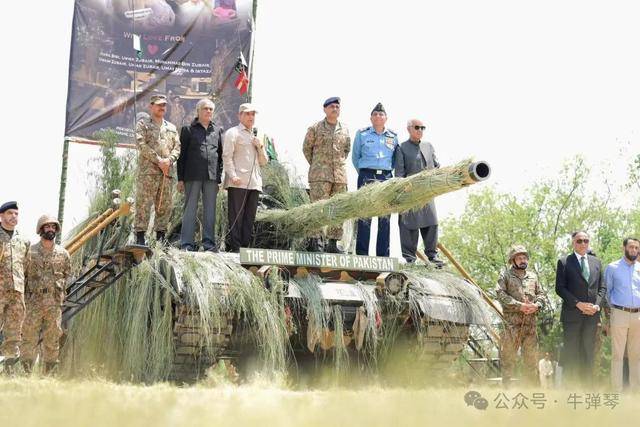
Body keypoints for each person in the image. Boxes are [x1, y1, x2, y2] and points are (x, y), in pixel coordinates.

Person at [21, 215, 71, 374]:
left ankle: (48, 376)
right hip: (33, 304)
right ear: (40, 229)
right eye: (47, 226)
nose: (51, 229)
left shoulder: (63, 254)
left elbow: (66, 275)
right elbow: (23, 275)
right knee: (28, 338)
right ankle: (25, 374)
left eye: (53, 227)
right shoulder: (30, 252)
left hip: (53, 305)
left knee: (52, 340)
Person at [555, 230, 606, 385]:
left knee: (588, 354)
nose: (583, 243)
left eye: (586, 240)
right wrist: (578, 304)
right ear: (573, 243)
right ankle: (571, 390)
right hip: (572, 316)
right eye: (579, 241)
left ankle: (587, 390)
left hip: (592, 317)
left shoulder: (596, 262)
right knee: (572, 354)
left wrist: (596, 306)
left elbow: (602, 288)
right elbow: (560, 288)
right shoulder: (564, 262)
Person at [302, 96, 351, 253]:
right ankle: (315, 241)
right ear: (325, 109)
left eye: (337, 107)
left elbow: (346, 150)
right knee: (318, 208)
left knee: (338, 209)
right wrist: (318, 165)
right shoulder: (315, 128)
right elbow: (306, 149)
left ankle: (332, 243)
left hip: (339, 177)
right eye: (331, 107)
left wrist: (336, 166)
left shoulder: (344, 129)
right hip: (320, 176)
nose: (335, 109)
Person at [177, 98, 224, 252]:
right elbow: (182, 156)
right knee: (190, 209)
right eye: (205, 108)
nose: (208, 111)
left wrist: (219, 178)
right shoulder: (188, 130)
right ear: (198, 111)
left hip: (211, 177)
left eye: (211, 109)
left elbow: (220, 156)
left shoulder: (217, 131)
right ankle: (187, 244)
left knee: (210, 211)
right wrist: (180, 179)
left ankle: (209, 244)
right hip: (192, 175)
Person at [395, 118, 443, 267]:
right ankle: (410, 258)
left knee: (432, 223)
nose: (420, 130)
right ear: (409, 129)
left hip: (427, 193)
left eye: (422, 128)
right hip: (410, 193)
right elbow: (399, 174)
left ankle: (432, 256)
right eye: (417, 127)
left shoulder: (428, 146)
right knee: (409, 225)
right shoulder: (401, 148)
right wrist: (405, 190)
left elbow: (436, 166)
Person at [495, 244, 546, 386]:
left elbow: (541, 294)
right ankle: (507, 390)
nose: (523, 260)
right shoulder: (505, 276)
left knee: (531, 361)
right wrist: (519, 306)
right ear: (513, 260)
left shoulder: (533, 277)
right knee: (508, 359)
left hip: (530, 327)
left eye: (525, 258)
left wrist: (536, 305)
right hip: (511, 326)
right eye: (519, 258)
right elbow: (500, 294)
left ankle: (531, 391)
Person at [134, 94, 181, 246]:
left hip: (166, 173)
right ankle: (140, 237)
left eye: (164, 105)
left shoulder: (171, 128)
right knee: (143, 204)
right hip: (148, 172)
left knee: (164, 206)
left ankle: (160, 238)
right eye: (159, 104)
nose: (162, 107)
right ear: (151, 106)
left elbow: (177, 148)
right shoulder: (143, 125)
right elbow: (141, 145)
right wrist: (158, 160)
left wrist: (169, 160)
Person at [352, 102, 398, 256]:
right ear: (371, 118)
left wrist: (386, 172)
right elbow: (355, 157)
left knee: (384, 217)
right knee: (365, 215)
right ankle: (362, 254)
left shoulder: (393, 136)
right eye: (375, 114)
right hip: (366, 175)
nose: (378, 116)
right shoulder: (362, 134)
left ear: (386, 118)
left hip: (386, 176)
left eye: (381, 114)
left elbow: (395, 159)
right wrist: (364, 172)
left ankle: (383, 256)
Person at [222, 103, 268, 252]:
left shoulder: (257, 136)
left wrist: (260, 147)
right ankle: (235, 248)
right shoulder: (233, 133)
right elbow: (227, 156)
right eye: (247, 114)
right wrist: (232, 176)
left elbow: (264, 162)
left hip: (254, 183)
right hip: (238, 182)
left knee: (249, 218)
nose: (251, 117)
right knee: (236, 217)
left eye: (253, 114)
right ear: (239, 115)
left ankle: (244, 248)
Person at [605, 237, 640, 391]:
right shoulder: (612, 268)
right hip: (619, 313)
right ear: (624, 248)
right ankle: (616, 390)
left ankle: (635, 391)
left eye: (636, 248)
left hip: (638, 316)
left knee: (636, 355)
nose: (634, 250)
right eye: (631, 247)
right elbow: (607, 292)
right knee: (618, 355)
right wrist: (610, 314)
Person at [0, 201, 30, 373]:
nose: (13, 216)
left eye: (16, 214)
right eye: (10, 213)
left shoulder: (23, 241)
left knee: (13, 332)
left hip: (17, 294)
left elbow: (26, 266)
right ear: (1, 216)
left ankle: (8, 370)